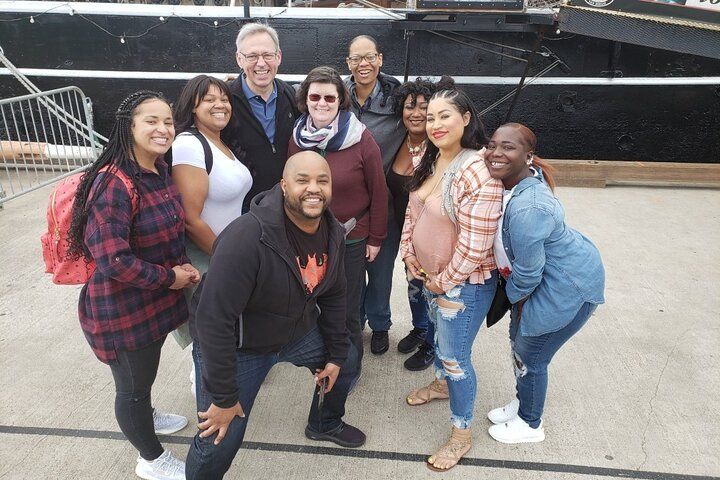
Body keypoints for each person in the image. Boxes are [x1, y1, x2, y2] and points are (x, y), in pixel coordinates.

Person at [186, 151, 366, 480]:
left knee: (349, 358)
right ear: (284, 186)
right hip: (242, 347)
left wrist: (338, 353)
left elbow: (337, 295)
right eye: (303, 180)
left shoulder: (333, 232)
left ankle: (324, 423)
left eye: (322, 181)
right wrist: (225, 397)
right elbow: (213, 320)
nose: (314, 188)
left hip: (296, 334)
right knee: (219, 437)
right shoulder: (248, 237)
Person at [67, 91, 200, 480]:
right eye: (152, 121)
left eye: (168, 122)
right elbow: (113, 260)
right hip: (122, 310)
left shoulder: (157, 171)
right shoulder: (113, 184)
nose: (163, 129)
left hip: (153, 304)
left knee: (143, 374)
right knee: (131, 388)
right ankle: (151, 460)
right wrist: (171, 277)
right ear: (129, 126)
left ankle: (148, 414)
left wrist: (180, 265)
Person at [400, 87, 502, 471]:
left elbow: (476, 244)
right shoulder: (429, 159)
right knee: (440, 340)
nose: (435, 124)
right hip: (429, 276)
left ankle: (461, 434)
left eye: (445, 116)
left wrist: (443, 281)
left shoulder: (478, 169)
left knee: (455, 356)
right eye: (430, 117)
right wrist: (409, 255)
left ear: (466, 119)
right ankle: (442, 387)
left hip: (463, 286)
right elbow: (413, 210)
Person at [483, 123, 605, 444]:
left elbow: (529, 274)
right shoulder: (509, 186)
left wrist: (504, 299)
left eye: (508, 147)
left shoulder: (528, 207)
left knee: (531, 356)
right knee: (518, 344)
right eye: (492, 145)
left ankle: (530, 422)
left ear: (529, 156)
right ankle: (524, 401)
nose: (496, 153)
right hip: (539, 283)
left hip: (565, 288)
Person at [288, 66, 388, 378]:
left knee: (347, 309)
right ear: (305, 99)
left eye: (329, 97)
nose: (321, 103)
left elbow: (379, 191)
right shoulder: (297, 137)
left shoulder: (361, 139)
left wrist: (375, 238)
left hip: (351, 238)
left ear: (340, 101)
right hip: (309, 238)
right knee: (314, 303)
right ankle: (325, 358)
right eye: (314, 96)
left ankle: (348, 368)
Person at [170, 74, 253, 393]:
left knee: (221, 335)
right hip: (209, 258)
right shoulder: (190, 144)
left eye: (224, 98)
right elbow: (191, 219)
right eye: (209, 99)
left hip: (225, 253)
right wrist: (225, 261)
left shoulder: (217, 142)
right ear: (193, 106)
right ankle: (208, 409)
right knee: (206, 347)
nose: (220, 105)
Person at [384, 76, 452, 371]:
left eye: (424, 107)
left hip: (433, 237)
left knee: (432, 289)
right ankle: (420, 328)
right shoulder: (396, 142)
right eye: (410, 106)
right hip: (405, 231)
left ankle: (432, 343)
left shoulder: (439, 149)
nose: (416, 113)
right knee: (413, 285)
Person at [343, 35, 405, 355]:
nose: (363, 64)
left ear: (380, 59)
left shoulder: (397, 98)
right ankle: (356, 321)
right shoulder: (338, 94)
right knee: (351, 275)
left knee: (380, 273)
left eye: (369, 57)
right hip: (349, 205)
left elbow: (429, 109)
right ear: (348, 64)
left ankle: (380, 323)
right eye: (356, 59)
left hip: (384, 204)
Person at [221, 22, 299, 212]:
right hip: (242, 211)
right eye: (252, 56)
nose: (261, 63)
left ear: (278, 57)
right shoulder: (223, 101)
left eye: (267, 55)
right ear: (239, 59)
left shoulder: (291, 96)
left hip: (286, 207)